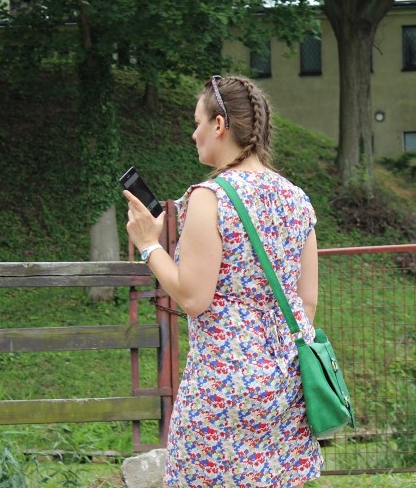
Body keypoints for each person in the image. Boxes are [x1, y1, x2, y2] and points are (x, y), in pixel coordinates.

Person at [123, 75, 323, 487]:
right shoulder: (296, 198)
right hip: (288, 381)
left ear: (219, 125)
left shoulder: (210, 197)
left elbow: (194, 298)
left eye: (197, 122)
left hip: (223, 386)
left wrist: (148, 245)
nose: (193, 133)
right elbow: (308, 300)